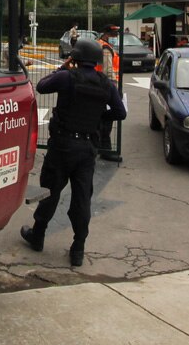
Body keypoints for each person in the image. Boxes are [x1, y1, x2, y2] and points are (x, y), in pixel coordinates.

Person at [21, 39, 127, 267]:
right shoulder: (106, 84)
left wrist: (62, 67)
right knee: (81, 199)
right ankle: (78, 248)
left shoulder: (67, 77)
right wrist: (100, 118)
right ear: (96, 60)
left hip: (62, 145)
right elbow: (120, 112)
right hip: (87, 149)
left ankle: (38, 235)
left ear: (75, 57)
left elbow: (42, 86)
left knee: (50, 192)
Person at [95, 25, 122, 160]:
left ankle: (99, 148)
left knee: (100, 119)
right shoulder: (105, 48)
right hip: (106, 87)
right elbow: (107, 71)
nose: (116, 36)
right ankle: (105, 151)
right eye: (114, 34)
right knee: (107, 120)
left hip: (99, 86)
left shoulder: (99, 44)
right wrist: (114, 89)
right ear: (106, 34)